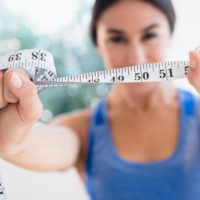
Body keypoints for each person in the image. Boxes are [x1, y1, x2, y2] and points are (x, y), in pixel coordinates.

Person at [0, 0, 200, 199]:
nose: (136, 58)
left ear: (170, 36)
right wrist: (13, 137)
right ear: (98, 44)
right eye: (117, 39)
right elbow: (38, 143)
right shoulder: (82, 128)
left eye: (150, 36)